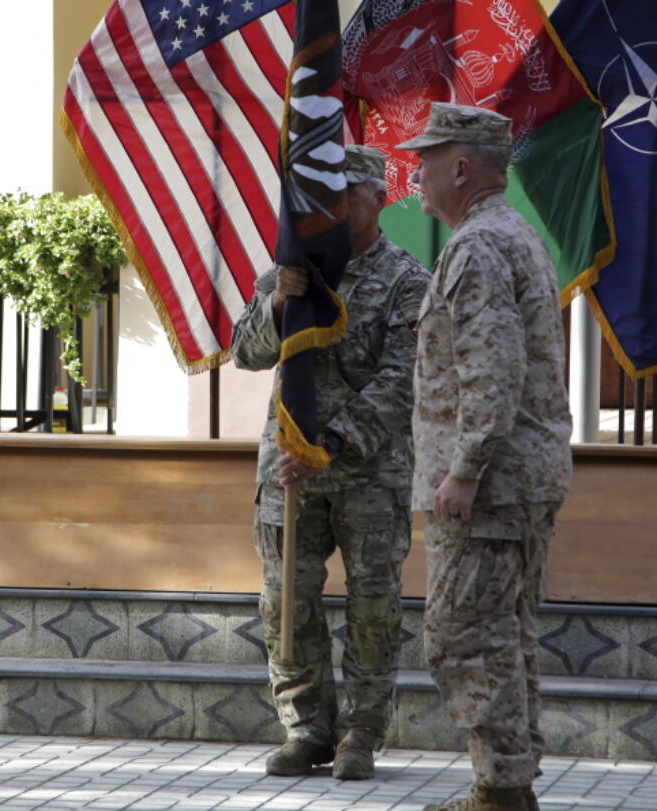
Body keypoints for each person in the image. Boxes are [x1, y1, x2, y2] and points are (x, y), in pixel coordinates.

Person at [231, 145, 430, 781]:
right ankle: (307, 728)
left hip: (367, 471)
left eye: (349, 196)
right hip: (289, 470)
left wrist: (333, 444)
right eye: (324, 198)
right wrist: (281, 305)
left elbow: (406, 381)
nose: (335, 210)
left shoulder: (407, 279)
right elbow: (245, 351)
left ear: (379, 198)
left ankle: (360, 735)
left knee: (373, 606)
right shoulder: (292, 271)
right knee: (287, 600)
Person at [398, 102, 573, 811]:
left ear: (461, 168)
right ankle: (507, 784)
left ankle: (501, 788)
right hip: (515, 478)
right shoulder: (510, 234)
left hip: (490, 485)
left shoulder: (477, 246)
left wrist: (464, 469)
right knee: (505, 632)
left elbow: (491, 369)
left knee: (461, 633)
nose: (415, 172)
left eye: (426, 159)